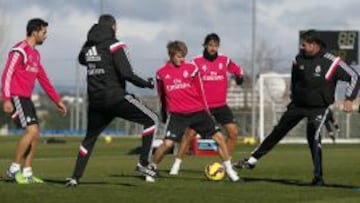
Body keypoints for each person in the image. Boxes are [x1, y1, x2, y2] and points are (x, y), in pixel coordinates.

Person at [233, 30, 360, 186]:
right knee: (278, 131)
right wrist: (293, 94)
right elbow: (295, 79)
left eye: (304, 44)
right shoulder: (298, 59)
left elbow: (354, 76)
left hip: (318, 108)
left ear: (314, 45)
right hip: (298, 105)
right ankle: (252, 160)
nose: (301, 47)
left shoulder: (332, 61)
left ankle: (318, 178)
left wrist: (349, 98)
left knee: (313, 137)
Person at [65, 14, 159, 187]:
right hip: (115, 98)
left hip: (95, 102)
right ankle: (143, 163)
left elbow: (81, 59)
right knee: (152, 119)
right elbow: (127, 74)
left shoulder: (89, 48)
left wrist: (91, 45)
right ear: (113, 27)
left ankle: (74, 178)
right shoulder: (116, 45)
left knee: (89, 139)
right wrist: (148, 83)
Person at [152, 40, 240, 182]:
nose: (182, 59)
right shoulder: (161, 74)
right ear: (171, 55)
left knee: (219, 138)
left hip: (198, 112)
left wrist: (206, 111)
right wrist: (163, 114)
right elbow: (162, 96)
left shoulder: (192, 69)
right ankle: (151, 168)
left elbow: (201, 92)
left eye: (184, 56)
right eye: (179, 56)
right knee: (167, 144)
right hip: (177, 115)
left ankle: (230, 172)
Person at [1, 18, 67, 184]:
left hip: (26, 99)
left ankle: (28, 172)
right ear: (35, 31)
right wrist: (6, 99)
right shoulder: (19, 50)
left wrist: (57, 100)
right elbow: (7, 74)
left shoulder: (35, 54)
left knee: (35, 134)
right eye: (44, 32)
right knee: (31, 132)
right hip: (16, 97)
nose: (46, 36)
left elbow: (43, 79)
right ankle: (13, 169)